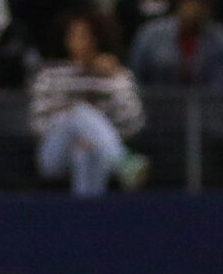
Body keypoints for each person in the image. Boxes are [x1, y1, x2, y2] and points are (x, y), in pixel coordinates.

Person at [29, 12, 146, 194]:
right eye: (73, 35)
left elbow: (133, 123)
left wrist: (116, 80)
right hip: (54, 153)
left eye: (85, 35)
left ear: (97, 39)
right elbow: (38, 124)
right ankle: (123, 161)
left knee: (85, 153)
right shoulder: (50, 76)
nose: (79, 41)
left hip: (98, 150)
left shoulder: (116, 76)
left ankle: (88, 217)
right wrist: (72, 124)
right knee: (80, 112)